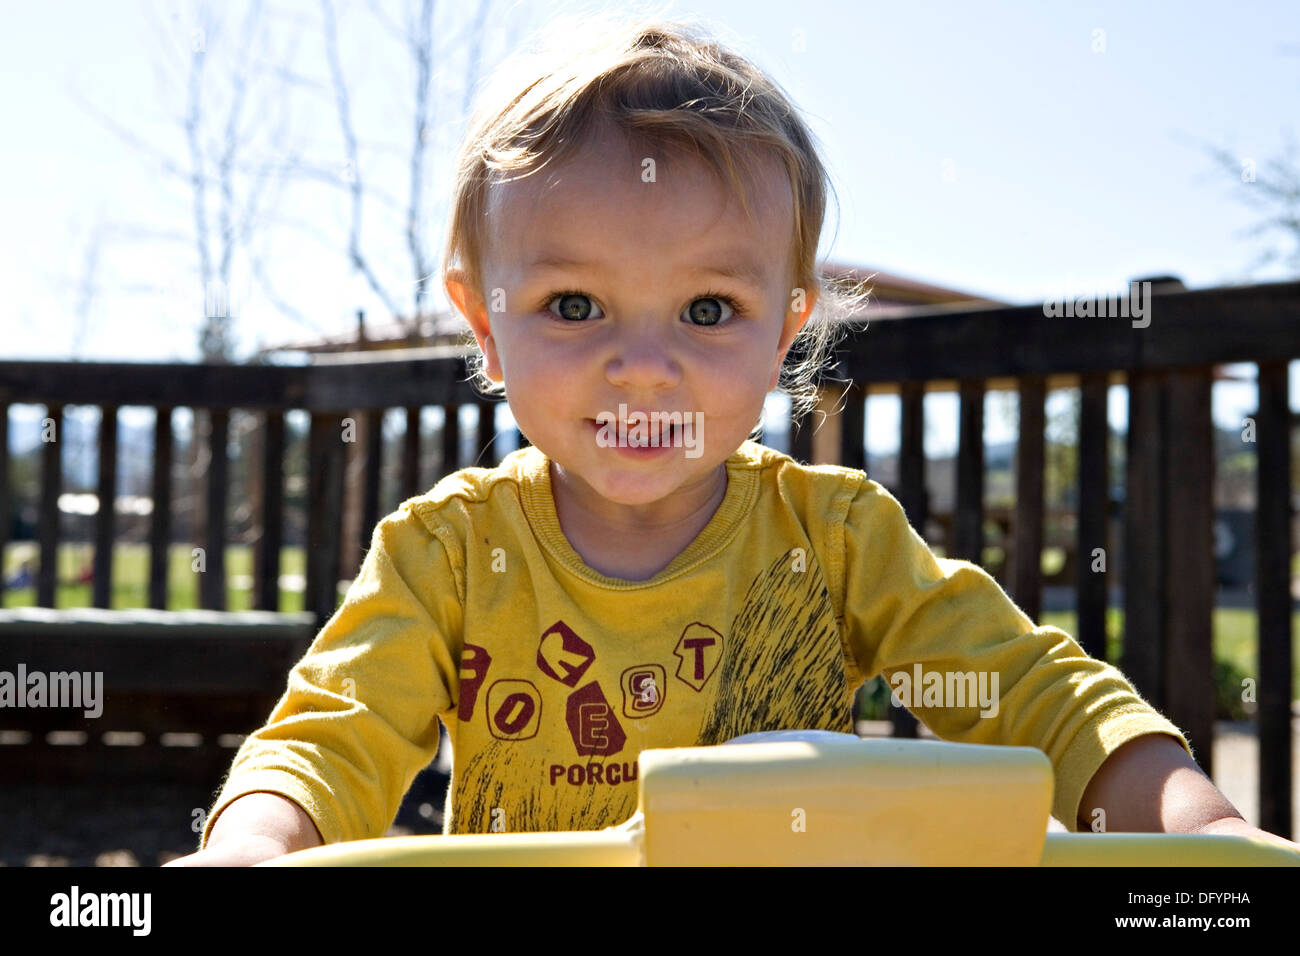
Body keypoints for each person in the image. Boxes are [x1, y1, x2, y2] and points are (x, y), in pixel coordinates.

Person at [167, 13, 1297, 866]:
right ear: (486, 327)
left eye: (707, 311)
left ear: (785, 333)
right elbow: (332, 734)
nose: (644, 363)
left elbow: (1033, 692)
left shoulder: (835, 535)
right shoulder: (448, 551)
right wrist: (256, 842)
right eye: (574, 305)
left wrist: (1195, 825)